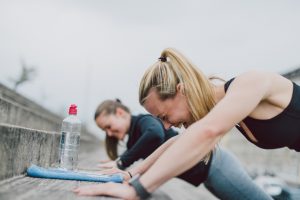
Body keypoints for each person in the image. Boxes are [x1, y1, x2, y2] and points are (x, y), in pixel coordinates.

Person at [74, 47, 300, 199]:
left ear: (181, 91)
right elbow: (178, 143)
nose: (164, 126)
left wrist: (137, 191)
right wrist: (133, 174)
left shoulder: (252, 83)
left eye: (163, 116)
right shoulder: (222, 106)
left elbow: (207, 132)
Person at [74, 99, 271, 199]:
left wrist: (122, 162)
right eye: (104, 130)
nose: (108, 133)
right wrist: (127, 176)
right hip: (208, 176)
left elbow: (156, 135)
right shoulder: (135, 138)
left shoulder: (144, 122)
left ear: (120, 113)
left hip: (217, 167)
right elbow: (158, 160)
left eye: (108, 126)